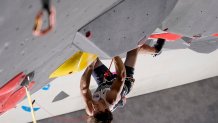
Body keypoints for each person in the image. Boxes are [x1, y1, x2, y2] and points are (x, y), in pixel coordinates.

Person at [80, 39, 165, 123]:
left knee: (92, 58)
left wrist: (90, 67)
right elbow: (121, 75)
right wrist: (113, 54)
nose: (94, 108)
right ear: (106, 110)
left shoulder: (90, 110)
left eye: (94, 112)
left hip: (104, 83)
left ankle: (122, 101)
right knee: (134, 48)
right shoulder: (111, 99)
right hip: (125, 82)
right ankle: (156, 50)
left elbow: (84, 89)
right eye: (97, 109)